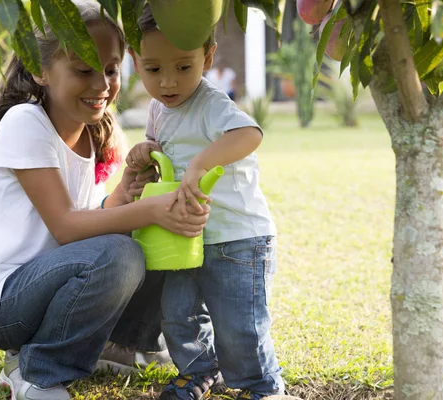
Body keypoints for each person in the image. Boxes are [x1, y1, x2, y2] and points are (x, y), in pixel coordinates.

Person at [0, 2, 210, 399]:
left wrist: (123, 196)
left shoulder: (90, 133)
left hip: (53, 283)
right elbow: (65, 226)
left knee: (144, 236)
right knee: (121, 251)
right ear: (40, 70)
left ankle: (122, 346)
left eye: (111, 69)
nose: (102, 85)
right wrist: (144, 209)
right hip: (8, 305)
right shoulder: (26, 122)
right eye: (83, 70)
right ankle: (36, 372)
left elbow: (85, 227)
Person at [125, 5, 288, 400]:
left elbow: (249, 134)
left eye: (183, 67)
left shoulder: (211, 104)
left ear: (208, 57)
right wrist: (146, 151)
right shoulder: (158, 109)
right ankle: (198, 370)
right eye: (153, 69)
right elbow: (162, 149)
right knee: (178, 315)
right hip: (185, 237)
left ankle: (261, 386)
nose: (168, 82)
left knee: (239, 324)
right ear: (135, 61)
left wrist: (201, 162)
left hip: (236, 238)